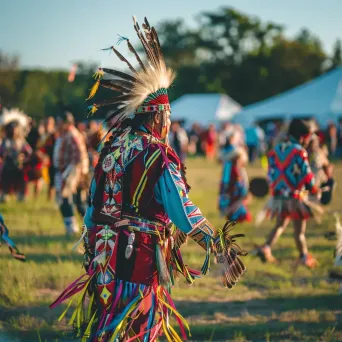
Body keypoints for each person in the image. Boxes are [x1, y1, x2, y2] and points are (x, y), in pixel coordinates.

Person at [51, 17, 246, 342]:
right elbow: (182, 212)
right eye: (168, 117)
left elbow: (92, 205)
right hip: (136, 256)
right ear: (158, 115)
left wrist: (94, 244)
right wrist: (219, 245)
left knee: (110, 326)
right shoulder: (157, 154)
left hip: (102, 254)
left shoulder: (111, 148)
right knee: (138, 329)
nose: (169, 125)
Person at [257, 119, 320, 268]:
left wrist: (276, 187)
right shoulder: (299, 151)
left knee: (280, 225)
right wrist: (313, 189)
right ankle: (304, 257)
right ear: (303, 136)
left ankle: (266, 248)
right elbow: (306, 174)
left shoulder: (277, 149)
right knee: (299, 232)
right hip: (295, 197)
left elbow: (271, 172)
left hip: (279, 196)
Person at [54, 111, 89, 235]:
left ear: (65, 123)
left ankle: (77, 227)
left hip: (71, 173)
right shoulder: (66, 134)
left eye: (59, 122)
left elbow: (79, 156)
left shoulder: (71, 135)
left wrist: (71, 173)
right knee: (78, 202)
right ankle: (88, 227)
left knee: (66, 200)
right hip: (69, 172)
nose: (56, 124)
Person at [218, 131, 251, 223]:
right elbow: (242, 162)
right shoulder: (236, 151)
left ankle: (233, 214)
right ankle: (232, 213)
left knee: (232, 196)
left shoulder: (225, 151)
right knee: (238, 195)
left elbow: (220, 160)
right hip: (234, 175)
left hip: (228, 176)